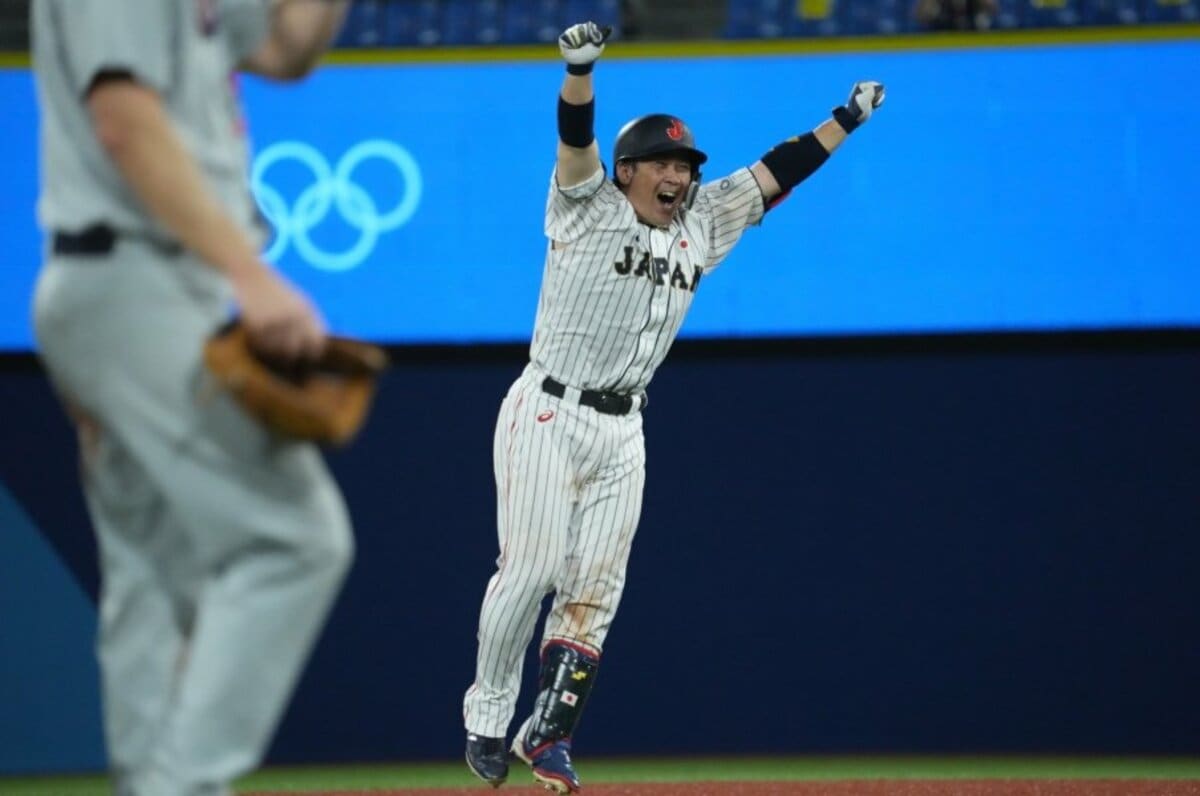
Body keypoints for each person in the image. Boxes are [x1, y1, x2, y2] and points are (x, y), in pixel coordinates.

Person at [462, 20, 886, 795]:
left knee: (595, 590)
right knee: (528, 573)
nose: (679, 175)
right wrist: (580, 68)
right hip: (547, 411)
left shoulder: (700, 224)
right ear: (627, 171)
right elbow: (575, 135)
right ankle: (488, 715)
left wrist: (846, 120)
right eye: (663, 161)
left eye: (686, 165)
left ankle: (548, 734)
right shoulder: (585, 204)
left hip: (625, 428)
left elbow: (774, 172)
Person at [30, 2, 354, 794]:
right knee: (295, 541)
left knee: (150, 567)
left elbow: (286, 50)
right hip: (136, 274)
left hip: (145, 281)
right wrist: (249, 276)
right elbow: (123, 119)